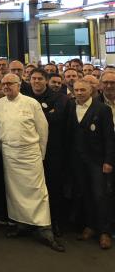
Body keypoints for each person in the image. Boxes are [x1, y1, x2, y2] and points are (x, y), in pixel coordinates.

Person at [0, 74, 64, 252]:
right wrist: (4, 148)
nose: (7, 86)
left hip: (30, 152)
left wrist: (41, 153)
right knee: (14, 192)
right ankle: (21, 224)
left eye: (10, 83)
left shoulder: (31, 103)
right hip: (9, 153)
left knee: (37, 190)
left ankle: (44, 228)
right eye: (4, 84)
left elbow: (43, 129)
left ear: (19, 85)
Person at [69, 79, 114, 250]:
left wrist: (109, 160)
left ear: (91, 90)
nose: (79, 92)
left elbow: (109, 138)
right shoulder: (71, 107)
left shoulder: (103, 109)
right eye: (77, 90)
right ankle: (90, 226)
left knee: (100, 196)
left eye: (83, 90)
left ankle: (105, 232)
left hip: (97, 161)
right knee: (84, 193)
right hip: (77, 161)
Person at [27, 68, 69, 236]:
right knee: (33, 187)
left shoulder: (60, 98)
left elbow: (57, 118)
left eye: (39, 79)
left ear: (46, 81)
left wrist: (34, 117)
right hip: (31, 150)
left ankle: (55, 222)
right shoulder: (25, 98)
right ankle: (33, 222)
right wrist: (46, 114)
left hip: (53, 151)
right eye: (33, 78)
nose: (36, 81)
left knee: (53, 186)